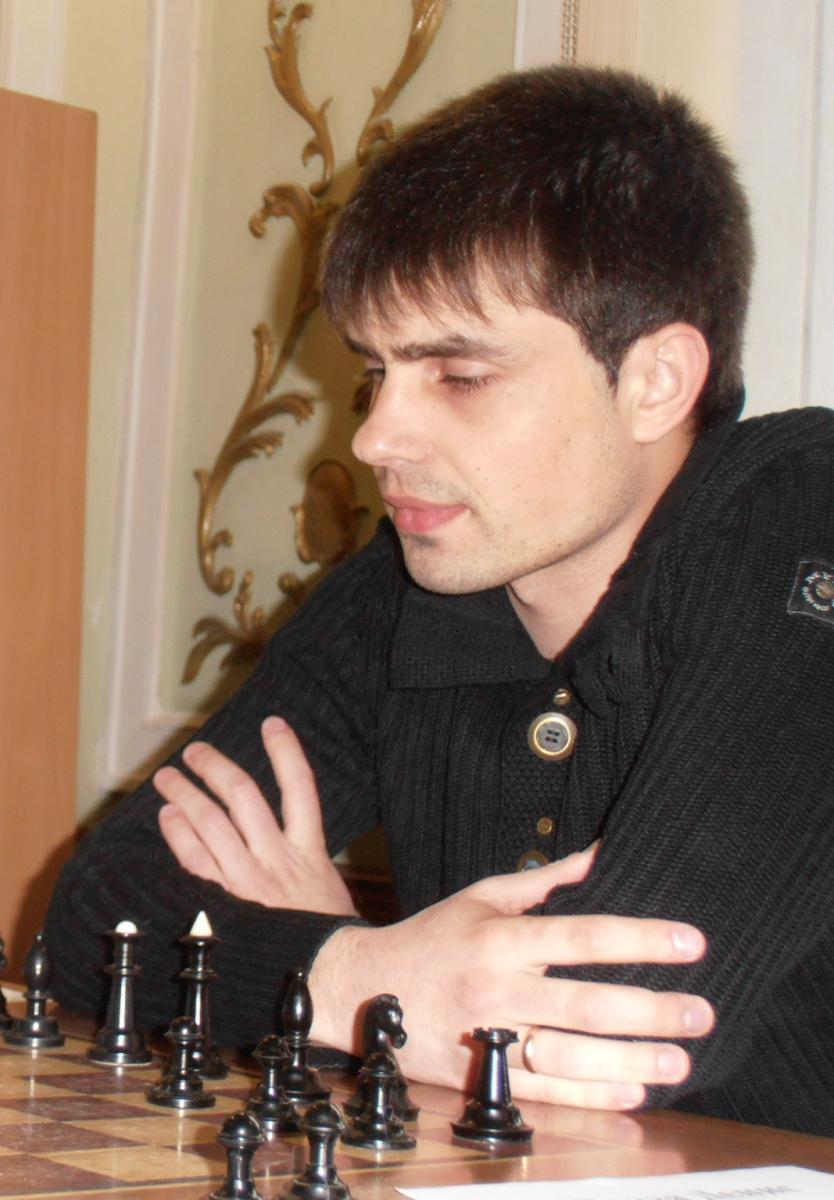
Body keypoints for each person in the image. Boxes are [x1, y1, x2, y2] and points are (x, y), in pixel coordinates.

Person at [46, 65, 834, 1136]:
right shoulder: (408, 582)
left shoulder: (801, 518)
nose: (375, 437)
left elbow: (616, 1030)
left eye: (460, 376)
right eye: (377, 373)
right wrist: (362, 972)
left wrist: (346, 986)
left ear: (656, 381)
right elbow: (94, 924)